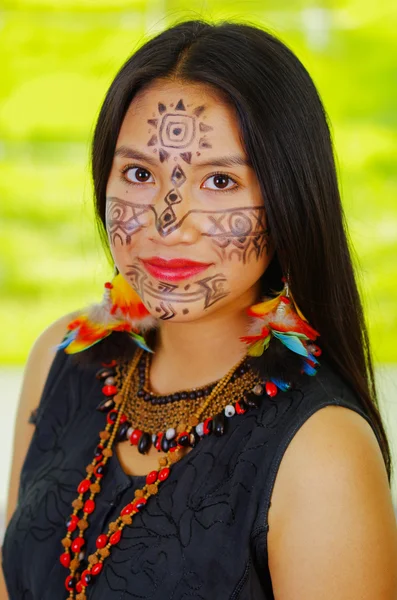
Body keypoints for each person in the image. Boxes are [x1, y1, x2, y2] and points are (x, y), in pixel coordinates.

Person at [1, 18, 397, 600]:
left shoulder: (322, 451)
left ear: (288, 197)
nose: (169, 223)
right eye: (140, 173)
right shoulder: (63, 355)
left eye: (218, 181)